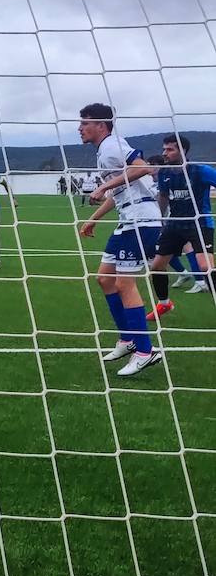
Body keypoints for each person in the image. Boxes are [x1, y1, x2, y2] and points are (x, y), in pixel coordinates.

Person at [78, 104, 163, 377]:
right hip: (127, 221)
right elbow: (119, 191)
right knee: (104, 278)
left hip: (142, 220)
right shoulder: (105, 151)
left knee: (125, 283)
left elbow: (145, 167)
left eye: (85, 123)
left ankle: (144, 351)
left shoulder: (113, 146)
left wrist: (103, 185)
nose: (80, 128)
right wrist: (94, 218)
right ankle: (127, 339)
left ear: (101, 126)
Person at [145, 134, 216, 319]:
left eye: (170, 149)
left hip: (199, 223)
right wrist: (159, 220)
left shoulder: (201, 171)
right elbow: (163, 196)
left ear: (183, 151)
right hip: (174, 224)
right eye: (164, 149)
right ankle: (164, 304)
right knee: (156, 266)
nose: (165, 153)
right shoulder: (165, 172)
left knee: (205, 266)